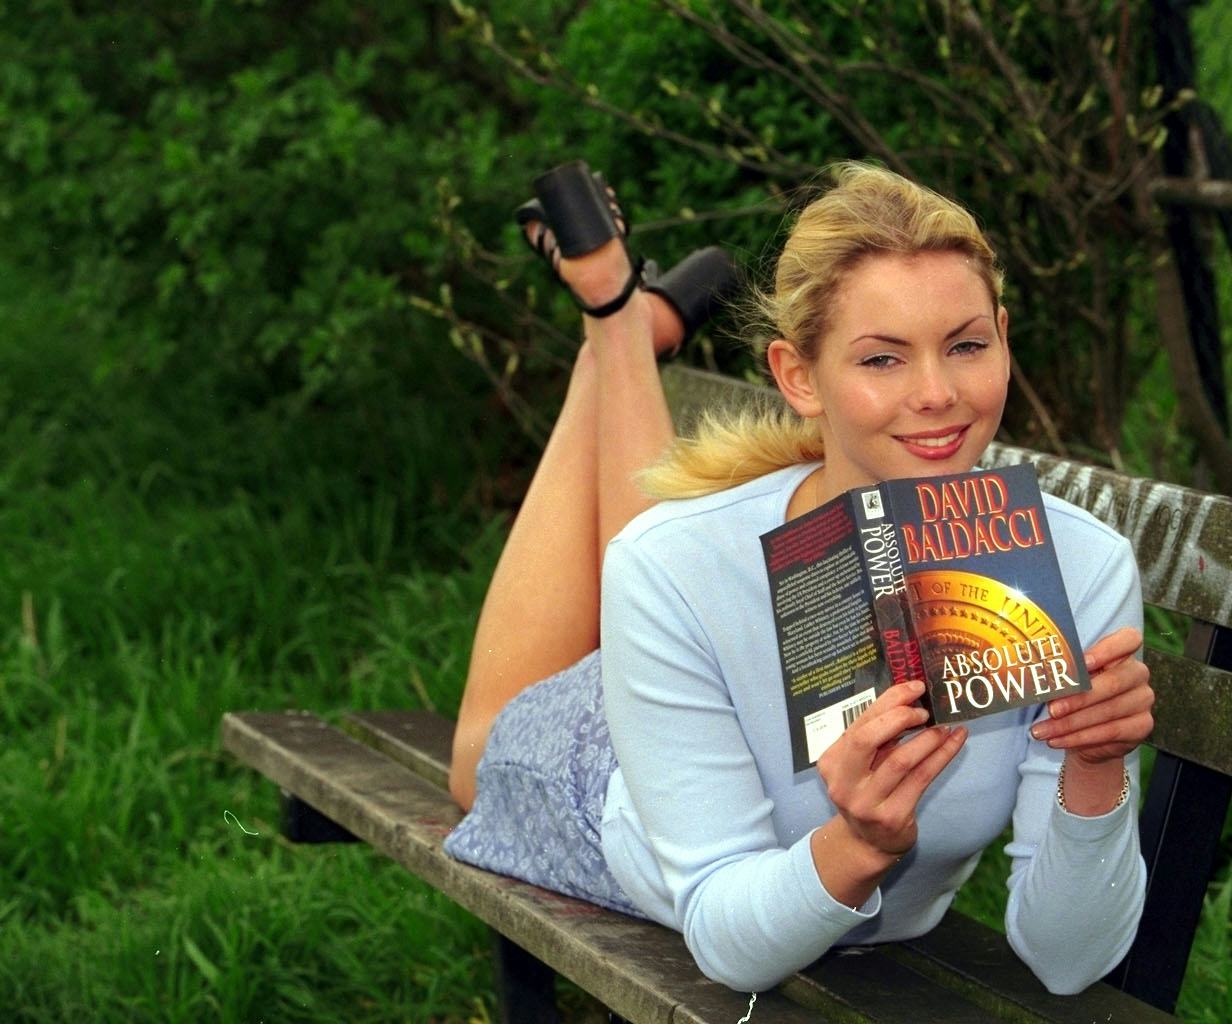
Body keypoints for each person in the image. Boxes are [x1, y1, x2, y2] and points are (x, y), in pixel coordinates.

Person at [444, 161, 1154, 996]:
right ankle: (616, 320)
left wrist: (1097, 763)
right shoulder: (671, 563)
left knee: (675, 552)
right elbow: (727, 940)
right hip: (606, 780)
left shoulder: (1080, 564)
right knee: (476, 754)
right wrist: (857, 844)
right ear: (797, 378)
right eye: (883, 359)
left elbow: (1070, 963)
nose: (938, 394)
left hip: (696, 679)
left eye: (966, 345)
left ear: (1003, 335)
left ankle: (622, 321)